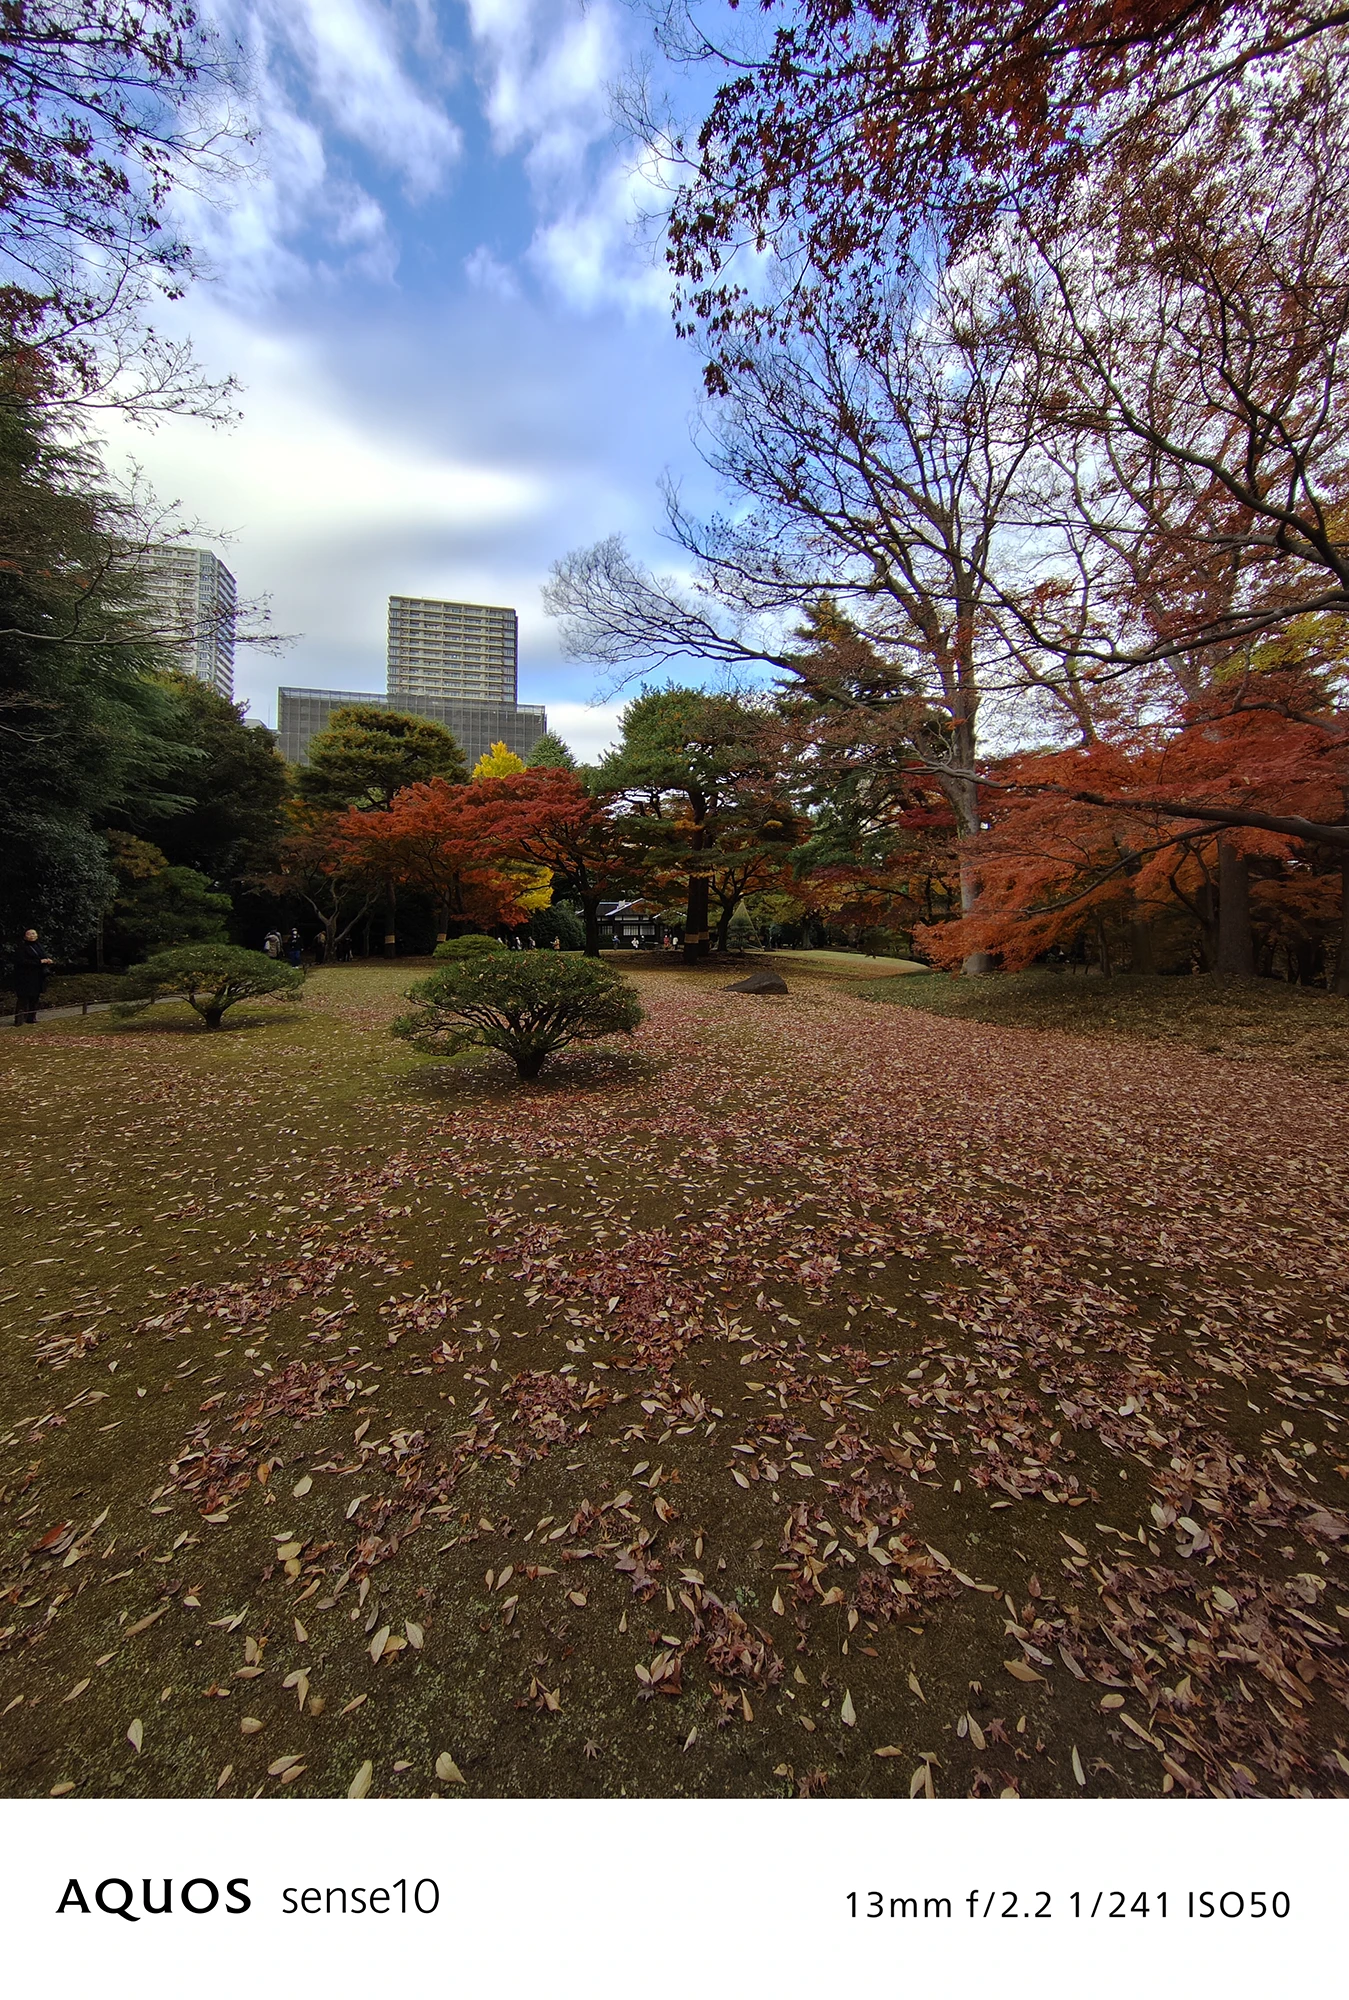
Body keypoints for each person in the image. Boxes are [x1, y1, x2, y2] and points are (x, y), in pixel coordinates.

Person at [11, 929, 53, 1024]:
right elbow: (21, 961)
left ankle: (31, 1017)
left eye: (34, 934)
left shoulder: (38, 946)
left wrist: (47, 961)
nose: (32, 935)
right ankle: (19, 1019)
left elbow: (42, 956)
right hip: (25, 977)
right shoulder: (22, 948)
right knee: (23, 998)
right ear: (25, 936)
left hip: (37, 976)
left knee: (35, 998)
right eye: (30, 934)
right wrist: (39, 962)